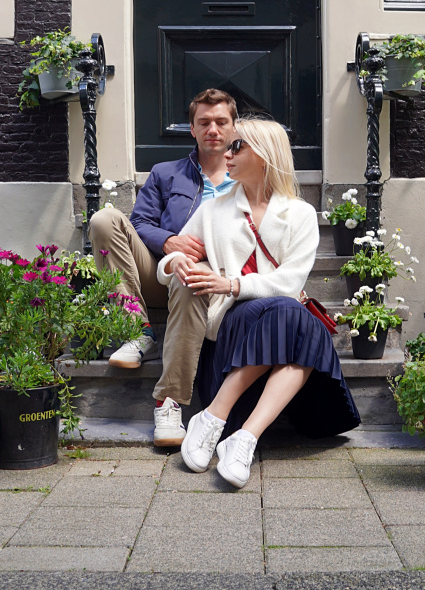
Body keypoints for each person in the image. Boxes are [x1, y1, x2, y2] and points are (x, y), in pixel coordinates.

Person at [157, 118, 361, 489]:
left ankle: (240, 435)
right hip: (231, 329)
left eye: (237, 146)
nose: (226, 153)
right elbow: (168, 264)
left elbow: (290, 282)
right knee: (298, 318)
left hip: (279, 323)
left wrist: (232, 283)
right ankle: (218, 420)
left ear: (264, 155)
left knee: (291, 313)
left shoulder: (299, 214)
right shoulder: (213, 210)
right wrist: (177, 262)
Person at [89, 88, 237, 447]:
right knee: (104, 219)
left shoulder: (247, 177)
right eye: (204, 122)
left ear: (234, 128)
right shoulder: (166, 173)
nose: (213, 129)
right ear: (192, 129)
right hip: (161, 272)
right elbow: (139, 223)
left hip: (219, 282)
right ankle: (137, 331)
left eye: (221, 122)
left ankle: (169, 401)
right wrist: (169, 241)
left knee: (191, 278)